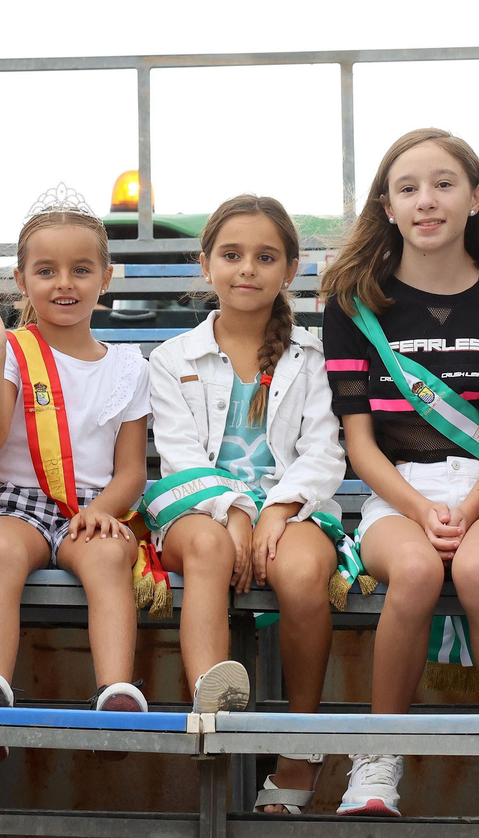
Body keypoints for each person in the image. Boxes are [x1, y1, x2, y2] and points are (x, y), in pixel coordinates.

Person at [320, 128, 479, 818]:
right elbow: (360, 444)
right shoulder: (353, 301)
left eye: (445, 184)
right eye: (409, 187)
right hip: (399, 494)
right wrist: (423, 512)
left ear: (476, 198)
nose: (428, 200)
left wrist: (474, 506)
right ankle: (378, 758)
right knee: (418, 572)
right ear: (387, 207)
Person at [145, 194, 347, 813]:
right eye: (231, 255)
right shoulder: (170, 358)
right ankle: (213, 709)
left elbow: (323, 453)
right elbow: (180, 457)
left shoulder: (311, 358)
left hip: (292, 506)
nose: (247, 269)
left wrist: (279, 512)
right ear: (205, 265)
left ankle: (300, 743)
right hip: (197, 506)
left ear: (289, 269)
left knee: (303, 569)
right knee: (206, 546)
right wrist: (233, 510)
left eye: (266, 257)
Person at [0, 186, 152, 762]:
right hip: (18, 501)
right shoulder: (9, 350)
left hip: (95, 504)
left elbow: (131, 471)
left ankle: (116, 696)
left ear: (106, 278)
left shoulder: (127, 368)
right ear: (21, 280)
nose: (65, 283)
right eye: (47, 270)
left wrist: (104, 513)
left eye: (81, 269)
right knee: (0, 549)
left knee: (111, 557)